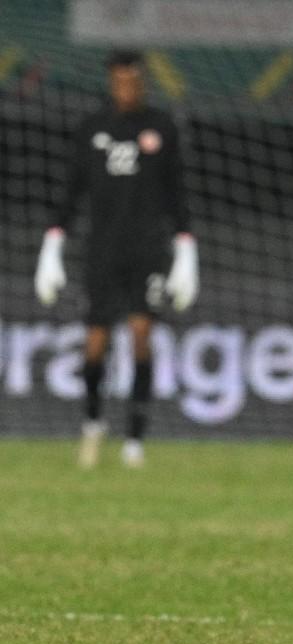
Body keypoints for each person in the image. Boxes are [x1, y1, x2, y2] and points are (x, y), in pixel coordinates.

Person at [34, 50, 198, 469]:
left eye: (134, 81)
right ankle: (92, 424)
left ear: (143, 82)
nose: (127, 89)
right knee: (95, 344)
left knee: (141, 335)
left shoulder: (161, 128)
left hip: (147, 251)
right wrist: (51, 247)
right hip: (102, 252)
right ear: (111, 82)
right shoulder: (93, 129)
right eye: (120, 82)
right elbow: (71, 192)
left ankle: (135, 441)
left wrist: (186, 251)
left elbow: (176, 193)